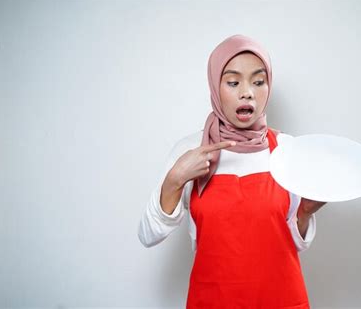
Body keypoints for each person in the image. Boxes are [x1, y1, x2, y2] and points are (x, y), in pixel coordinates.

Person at [138, 34, 327, 309]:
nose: (247, 92)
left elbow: (291, 244)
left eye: (258, 81)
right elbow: (148, 235)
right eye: (233, 82)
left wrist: (305, 212)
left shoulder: (287, 149)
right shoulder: (192, 149)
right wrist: (175, 180)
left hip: (281, 300)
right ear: (216, 86)